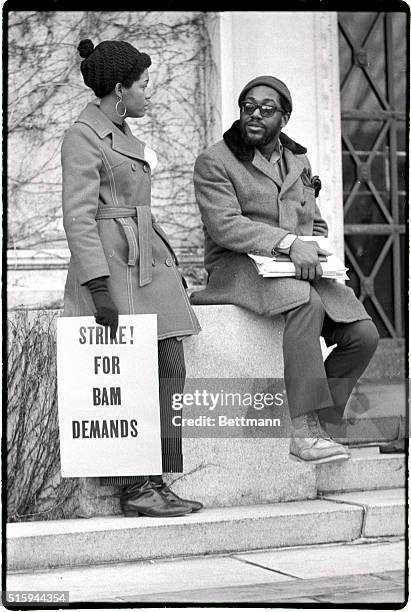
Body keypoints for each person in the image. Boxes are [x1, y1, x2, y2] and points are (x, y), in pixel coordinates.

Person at [191, 75, 379, 464]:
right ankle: (302, 431)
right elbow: (224, 225)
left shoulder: (299, 161)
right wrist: (289, 244)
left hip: (294, 266)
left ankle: (324, 423)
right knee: (304, 303)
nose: (255, 114)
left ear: (285, 118)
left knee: (362, 333)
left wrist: (318, 251)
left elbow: (315, 222)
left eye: (266, 108)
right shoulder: (215, 160)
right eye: (248, 107)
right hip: (239, 266)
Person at [61, 38, 202, 517]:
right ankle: (136, 486)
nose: (150, 94)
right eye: (143, 85)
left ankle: (157, 478)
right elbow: (79, 217)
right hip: (114, 270)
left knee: (170, 369)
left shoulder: (121, 132)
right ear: (119, 89)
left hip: (146, 264)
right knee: (132, 377)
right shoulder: (83, 136)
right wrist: (97, 285)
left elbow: (139, 205)